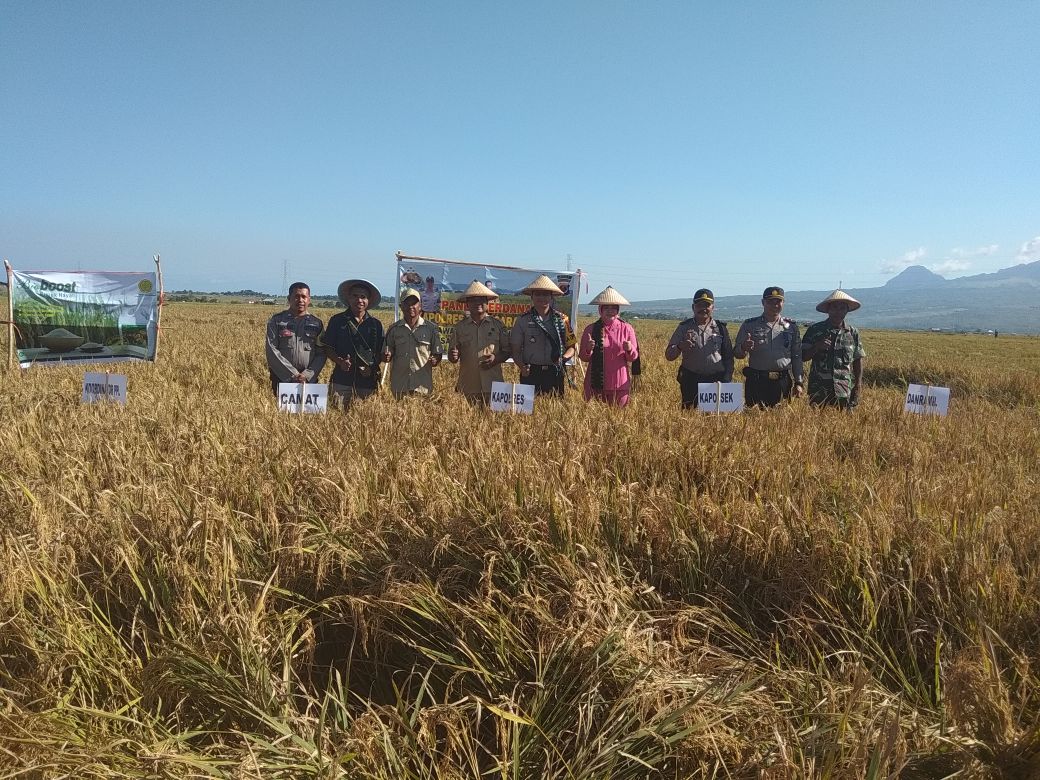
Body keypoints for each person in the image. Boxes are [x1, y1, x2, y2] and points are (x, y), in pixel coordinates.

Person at [733, 286, 804, 408]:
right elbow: (737, 354)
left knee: (781, 422)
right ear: (763, 302)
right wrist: (744, 347)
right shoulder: (749, 325)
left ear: (783, 303)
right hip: (757, 381)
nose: (774, 305)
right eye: (770, 301)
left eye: (778, 301)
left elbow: (796, 356)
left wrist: (799, 382)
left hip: (782, 381)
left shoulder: (791, 327)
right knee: (754, 420)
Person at [318, 278, 384, 408]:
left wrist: (371, 368)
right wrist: (340, 362)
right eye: (355, 296)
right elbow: (328, 348)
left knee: (366, 421)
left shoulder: (376, 325)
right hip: (341, 381)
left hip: (367, 383)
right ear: (348, 298)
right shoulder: (337, 321)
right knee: (336, 420)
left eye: (363, 297)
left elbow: (380, 352)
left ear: (368, 300)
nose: (359, 300)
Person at [664, 288, 734, 409]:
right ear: (693, 307)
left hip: (715, 381)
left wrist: (726, 380)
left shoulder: (721, 328)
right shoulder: (684, 327)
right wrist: (680, 346)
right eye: (699, 305)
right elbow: (669, 355)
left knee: (714, 422)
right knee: (690, 421)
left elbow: (728, 357)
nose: (703, 308)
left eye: (707, 305)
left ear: (713, 307)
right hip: (691, 381)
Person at [510, 275, 577, 397]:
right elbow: (515, 349)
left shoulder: (562, 319)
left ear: (551, 297)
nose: (542, 298)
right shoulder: (522, 320)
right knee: (527, 414)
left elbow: (572, 346)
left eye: (545, 294)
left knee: (554, 412)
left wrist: (564, 358)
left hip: (555, 371)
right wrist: (522, 367)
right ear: (532, 296)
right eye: (538, 294)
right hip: (531, 372)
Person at [447, 280, 511, 405]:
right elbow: (452, 357)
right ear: (467, 304)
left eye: (481, 299)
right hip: (468, 386)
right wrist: (453, 356)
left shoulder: (498, 326)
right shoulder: (459, 328)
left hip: (494, 386)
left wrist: (496, 359)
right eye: (473, 300)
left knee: (494, 423)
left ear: (487, 303)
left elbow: (507, 351)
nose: (477, 303)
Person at [801, 289, 866, 410]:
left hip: (844, 390)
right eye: (834, 307)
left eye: (842, 308)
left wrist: (858, 385)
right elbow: (802, 357)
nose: (838, 311)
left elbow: (857, 359)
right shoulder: (815, 330)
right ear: (828, 310)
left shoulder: (853, 333)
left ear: (847, 310)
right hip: (819, 391)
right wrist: (816, 347)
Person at [578, 286, 639, 406]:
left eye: (613, 308)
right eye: (606, 307)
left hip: (619, 383)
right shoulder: (590, 329)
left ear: (618, 310)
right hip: (594, 385)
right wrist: (588, 349)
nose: (610, 311)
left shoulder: (627, 328)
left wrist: (629, 349)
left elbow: (633, 358)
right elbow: (583, 357)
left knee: (619, 420)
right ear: (600, 309)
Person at [265, 281, 326, 396]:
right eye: (296, 296)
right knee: (281, 413)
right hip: (282, 378)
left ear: (309, 299)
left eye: (304, 296)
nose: (300, 300)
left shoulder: (317, 324)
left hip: (308, 381)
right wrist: (292, 374)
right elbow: (271, 349)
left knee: (308, 413)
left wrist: (307, 375)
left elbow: (321, 353)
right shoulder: (277, 321)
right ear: (289, 298)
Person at [383, 287, 443, 399]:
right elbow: (386, 352)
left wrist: (435, 359)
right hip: (399, 386)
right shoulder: (393, 329)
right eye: (407, 304)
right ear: (401, 307)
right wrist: (387, 355)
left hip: (422, 386)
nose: (411, 307)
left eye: (414, 303)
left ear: (420, 306)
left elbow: (437, 353)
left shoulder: (431, 329)